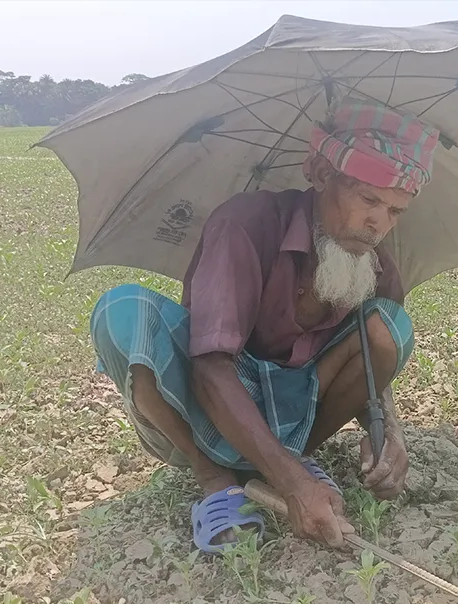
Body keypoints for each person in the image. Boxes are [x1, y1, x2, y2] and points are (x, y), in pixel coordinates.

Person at [87, 98, 439, 553]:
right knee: (124, 310)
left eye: (395, 211)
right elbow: (210, 367)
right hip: (210, 402)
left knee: (388, 328)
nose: (378, 224)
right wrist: (292, 485)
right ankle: (214, 479)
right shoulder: (245, 225)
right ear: (320, 174)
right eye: (368, 199)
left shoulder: (376, 267)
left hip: (299, 405)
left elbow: (373, 367)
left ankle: (290, 454)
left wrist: (388, 431)